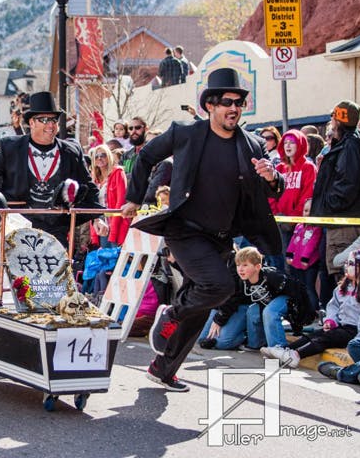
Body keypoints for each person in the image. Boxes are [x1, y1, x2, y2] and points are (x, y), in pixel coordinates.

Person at [121, 68, 284, 392]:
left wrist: (271, 177)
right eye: (227, 102)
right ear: (210, 105)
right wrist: (134, 198)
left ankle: (163, 368)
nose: (234, 108)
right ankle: (172, 313)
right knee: (219, 286)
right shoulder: (185, 133)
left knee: (203, 303)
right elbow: (146, 156)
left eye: (239, 102)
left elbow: (273, 189)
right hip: (185, 230)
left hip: (220, 238)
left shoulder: (252, 145)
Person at [0, 91, 106, 247]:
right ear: (32, 123)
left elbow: (89, 186)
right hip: (18, 226)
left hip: (57, 228)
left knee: (59, 262)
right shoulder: (11, 147)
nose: (51, 125)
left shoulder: (71, 151)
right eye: (44, 120)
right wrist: (0, 207)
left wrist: (98, 217)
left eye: (54, 120)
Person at [264, 249, 360, 368]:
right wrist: (330, 321)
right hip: (340, 326)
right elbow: (333, 307)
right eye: (346, 263)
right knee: (312, 336)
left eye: (351, 264)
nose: (346, 266)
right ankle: (284, 350)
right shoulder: (342, 288)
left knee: (323, 339)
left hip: (354, 331)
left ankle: (296, 355)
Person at [311, 100, 360, 282]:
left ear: (338, 120)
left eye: (333, 117)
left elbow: (348, 184)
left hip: (344, 224)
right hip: (342, 221)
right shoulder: (347, 143)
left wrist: (329, 204)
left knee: (346, 279)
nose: (331, 121)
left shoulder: (350, 145)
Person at [268, 129, 317, 271]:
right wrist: (277, 214)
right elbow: (270, 193)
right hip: (280, 222)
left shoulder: (308, 167)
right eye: (285, 143)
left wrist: (293, 218)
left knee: (296, 267)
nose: (288, 146)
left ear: (300, 144)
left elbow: (308, 195)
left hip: (299, 225)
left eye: (292, 142)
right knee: (281, 264)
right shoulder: (278, 168)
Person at [89, 144, 130, 247]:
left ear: (109, 156)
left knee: (115, 252)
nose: (99, 158)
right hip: (101, 220)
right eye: (96, 156)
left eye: (103, 155)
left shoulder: (118, 172)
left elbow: (121, 200)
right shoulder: (94, 178)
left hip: (116, 220)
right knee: (105, 254)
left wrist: (114, 226)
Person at [285, 198, 322, 311]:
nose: (307, 213)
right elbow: (293, 240)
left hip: (310, 263)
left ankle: (314, 311)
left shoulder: (317, 228)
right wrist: (289, 254)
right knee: (300, 287)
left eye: (311, 211)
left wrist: (305, 258)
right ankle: (303, 310)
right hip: (296, 263)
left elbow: (312, 243)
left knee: (309, 287)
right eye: (305, 210)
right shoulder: (299, 226)